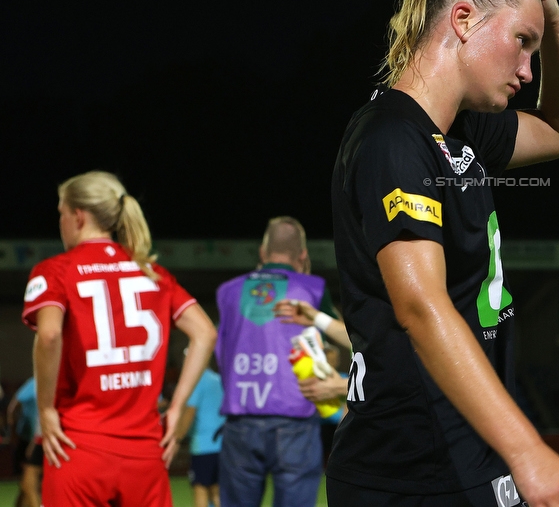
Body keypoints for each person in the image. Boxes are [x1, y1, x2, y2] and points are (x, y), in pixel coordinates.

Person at [328, 0, 559, 507]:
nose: (527, 71)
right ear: (464, 20)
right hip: (412, 463)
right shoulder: (393, 138)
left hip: (465, 447)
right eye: (521, 42)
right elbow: (421, 308)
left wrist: (555, 23)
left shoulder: (461, 133)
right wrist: (529, 450)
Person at [21, 170, 217, 507]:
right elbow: (205, 332)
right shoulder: (151, 272)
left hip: (76, 449)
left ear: (78, 217)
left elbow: (50, 334)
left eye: (61, 214)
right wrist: (177, 406)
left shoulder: (55, 270)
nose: (61, 222)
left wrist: (46, 409)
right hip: (144, 453)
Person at [215, 216, 350, 507]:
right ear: (302, 255)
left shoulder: (228, 291)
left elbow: (220, 353)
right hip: (295, 418)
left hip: (241, 418)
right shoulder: (313, 288)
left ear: (262, 254)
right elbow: (333, 347)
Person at [174, 354, 226, 507]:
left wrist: (176, 438)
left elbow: (190, 413)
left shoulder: (197, 381)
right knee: (217, 491)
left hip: (203, 446)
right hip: (223, 444)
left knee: (200, 488)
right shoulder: (218, 379)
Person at [7, 377, 41, 507]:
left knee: (28, 483)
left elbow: (12, 408)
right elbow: (13, 409)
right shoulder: (34, 384)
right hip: (31, 438)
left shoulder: (37, 382)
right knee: (26, 484)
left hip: (38, 440)